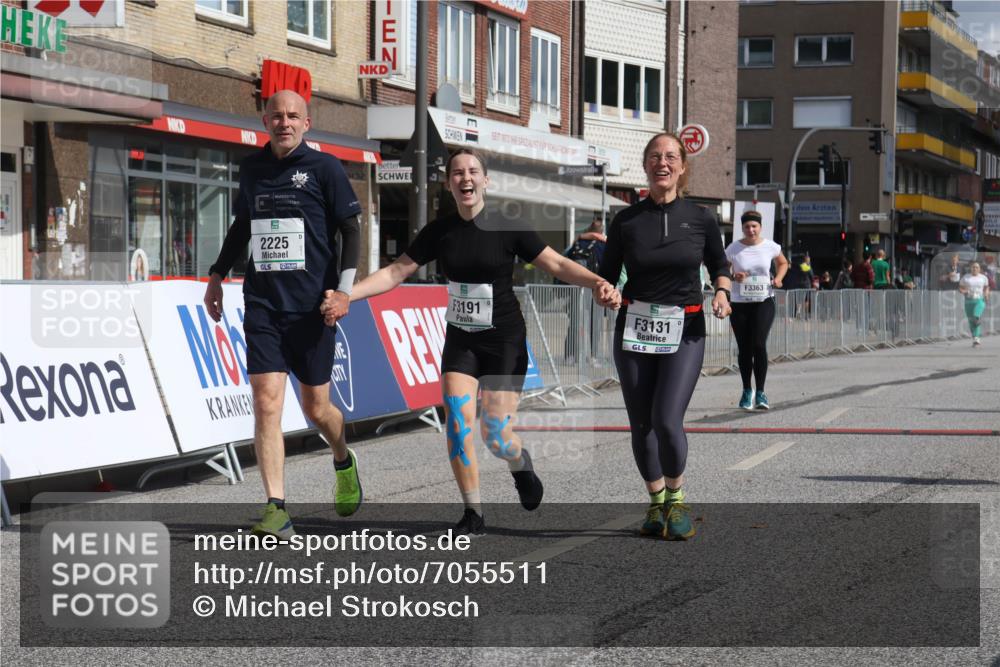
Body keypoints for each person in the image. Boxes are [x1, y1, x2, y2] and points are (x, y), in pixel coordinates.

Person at [341, 149, 620, 535]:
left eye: (473, 171)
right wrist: (346, 296)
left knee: (496, 434)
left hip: (504, 341)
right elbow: (394, 272)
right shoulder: (440, 231)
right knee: (456, 423)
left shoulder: (508, 226)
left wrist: (597, 283)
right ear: (449, 182)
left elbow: (555, 263)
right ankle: (473, 512)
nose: (465, 178)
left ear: (486, 180)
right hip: (462, 342)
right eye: (457, 172)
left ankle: (520, 463)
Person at [203, 90, 363, 538]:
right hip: (264, 305)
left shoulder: (325, 169)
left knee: (318, 409)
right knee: (266, 401)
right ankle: (276, 506)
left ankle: (342, 457)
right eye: (277, 116)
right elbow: (242, 226)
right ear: (265, 120)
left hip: (314, 309)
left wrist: (345, 292)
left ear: (306, 123)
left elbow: (350, 230)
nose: (285, 122)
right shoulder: (252, 169)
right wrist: (217, 275)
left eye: (293, 116)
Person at [598, 132, 732, 541]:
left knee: (666, 419)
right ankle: (656, 503)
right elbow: (606, 274)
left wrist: (723, 293)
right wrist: (606, 290)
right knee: (641, 424)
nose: (663, 163)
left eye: (671, 156)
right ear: (645, 165)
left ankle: (677, 498)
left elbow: (718, 264)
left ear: (683, 166)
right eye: (655, 156)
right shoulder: (626, 220)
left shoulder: (701, 218)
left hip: (685, 329)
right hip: (635, 328)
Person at [726, 210, 788, 411]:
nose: (751, 230)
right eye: (747, 226)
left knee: (759, 344)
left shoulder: (770, 246)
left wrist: (778, 278)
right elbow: (721, 270)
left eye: (754, 226)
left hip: (764, 301)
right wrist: (733, 275)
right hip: (740, 302)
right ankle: (747, 391)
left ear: (760, 227)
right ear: (742, 228)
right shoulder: (733, 248)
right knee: (744, 347)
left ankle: (760, 391)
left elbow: (783, 263)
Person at [564, 218, 608, 361]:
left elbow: (565, 260)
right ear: (601, 231)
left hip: (575, 288)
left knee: (575, 321)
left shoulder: (578, 243)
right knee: (595, 323)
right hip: (595, 289)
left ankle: (570, 356)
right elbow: (607, 266)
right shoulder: (602, 245)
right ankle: (593, 357)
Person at [959, 261, 990, 346]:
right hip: (969, 300)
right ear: (970, 268)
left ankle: (977, 318)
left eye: (977, 267)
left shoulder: (983, 278)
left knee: (976, 316)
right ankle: (976, 337)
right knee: (971, 320)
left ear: (979, 269)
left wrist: (986, 295)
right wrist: (965, 291)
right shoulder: (966, 277)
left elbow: (986, 287)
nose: (975, 269)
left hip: (979, 299)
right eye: (973, 267)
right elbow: (960, 289)